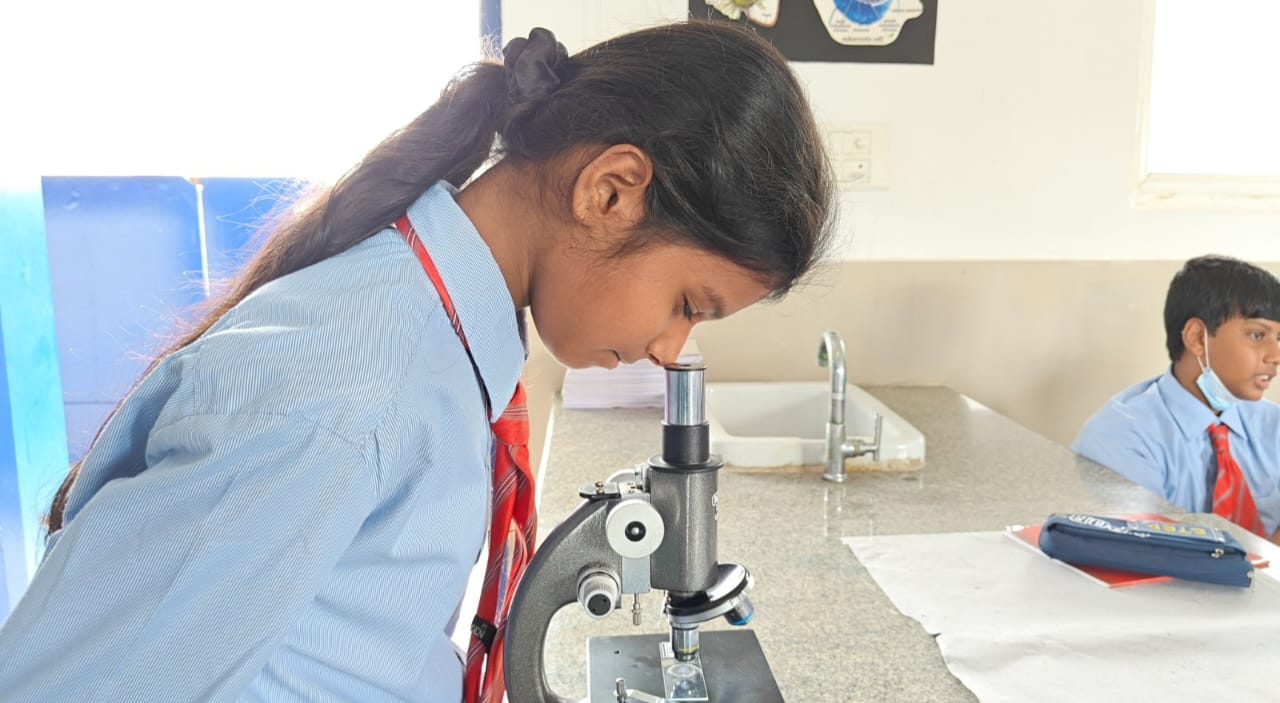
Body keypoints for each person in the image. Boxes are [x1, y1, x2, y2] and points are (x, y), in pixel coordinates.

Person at [0, 20, 834, 702]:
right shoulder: (344, 396)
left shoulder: (442, 341)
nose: (669, 347)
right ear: (610, 190)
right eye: (689, 303)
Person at [1073, 255, 1280, 543]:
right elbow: (1148, 550)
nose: (1275, 356)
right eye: (1258, 335)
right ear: (1197, 338)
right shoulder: (1120, 437)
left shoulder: (1274, 425)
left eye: (1279, 338)